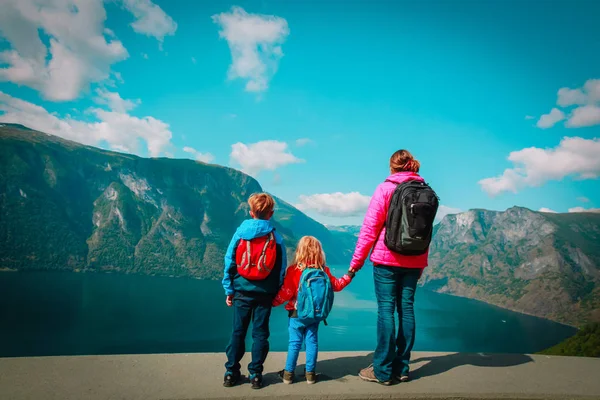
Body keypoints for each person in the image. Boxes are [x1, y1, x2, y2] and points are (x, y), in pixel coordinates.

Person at [349, 149, 432, 385]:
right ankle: (402, 368)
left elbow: (369, 231)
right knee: (406, 309)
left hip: (386, 261)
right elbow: (425, 233)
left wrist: (355, 265)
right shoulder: (425, 191)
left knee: (386, 310)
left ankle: (382, 371)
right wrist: (421, 263)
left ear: (392, 167)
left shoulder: (385, 189)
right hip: (414, 261)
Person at [222, 193, 287, 389]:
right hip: (265, 293)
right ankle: (256, 375)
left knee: (238, 332)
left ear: (251, 212)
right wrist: (278, 291)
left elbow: (229, 261)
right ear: (271, 213)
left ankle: (231, 373)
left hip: (242, 291)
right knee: (260, 334)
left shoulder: (240, 233)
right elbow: (281, 268)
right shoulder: (276, 237)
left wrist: (229, 289)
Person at [272, 236, 354, 385]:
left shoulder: (294, 270)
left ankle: (288, 374)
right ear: (319, 252)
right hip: (315, 314)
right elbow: (337, 285)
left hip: (297, 314)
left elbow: (286, 292)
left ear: (299, 251)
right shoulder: (323, 271)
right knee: (312, 342)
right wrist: (349, 275)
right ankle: (310, 374)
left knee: (294, 343)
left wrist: (271, 302)